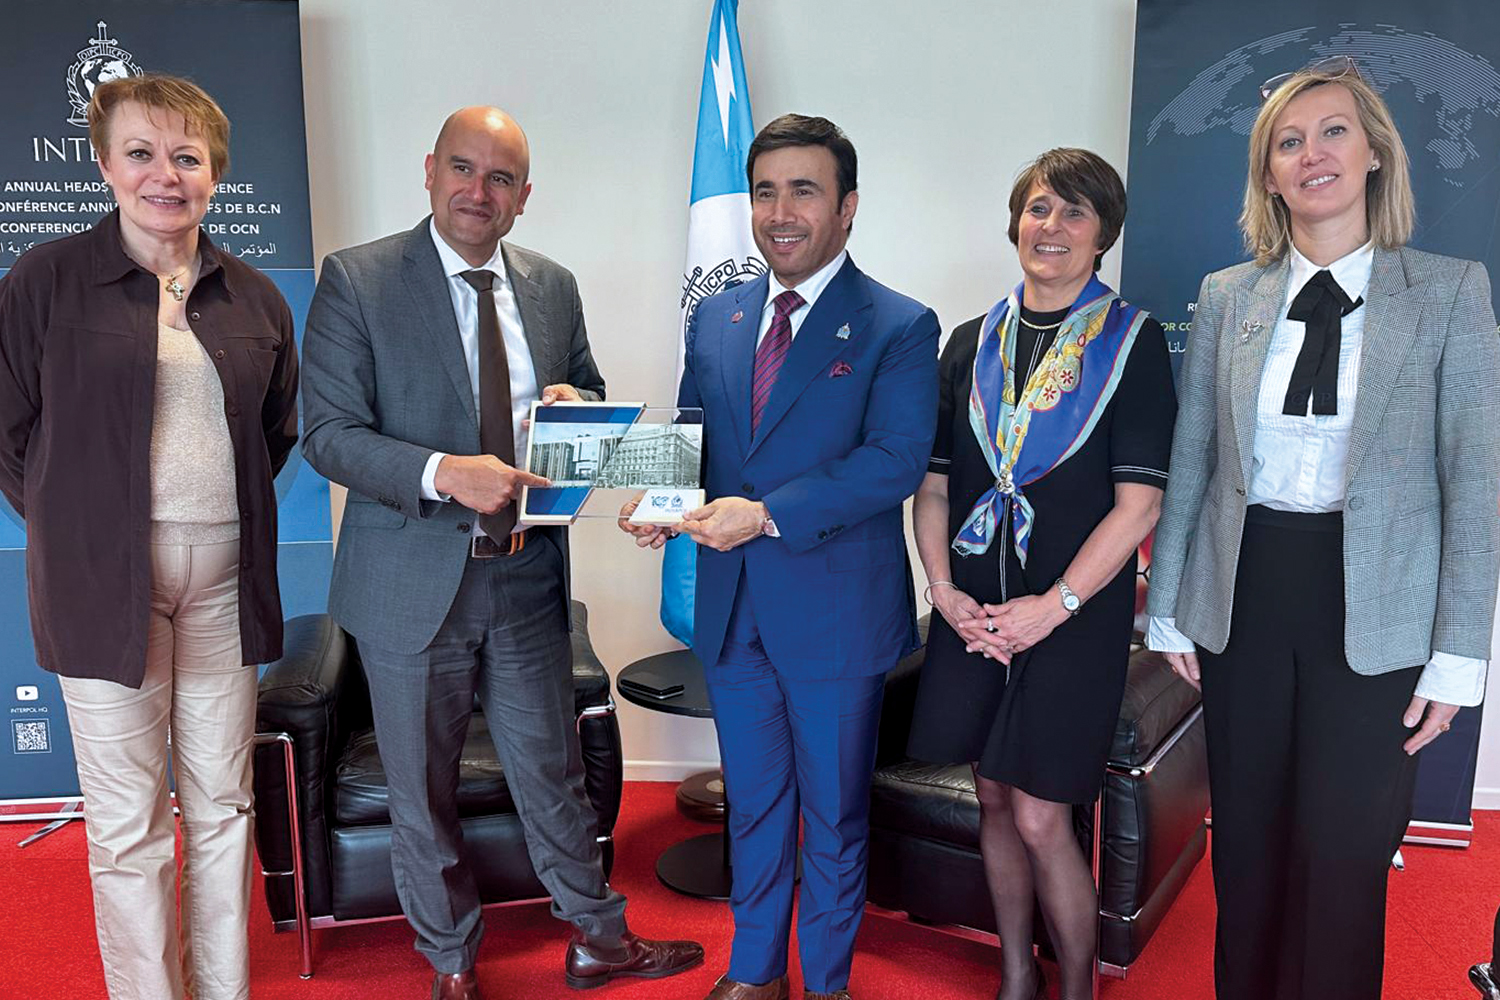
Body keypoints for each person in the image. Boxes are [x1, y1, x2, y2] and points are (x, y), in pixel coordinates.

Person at [299, 106, 702, 1000]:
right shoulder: (359, 280)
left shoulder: (552, 285)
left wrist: (575, 404)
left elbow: (589, 391)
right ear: (430, 169)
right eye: (463, 168)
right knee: (421, 791)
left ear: (524, 196)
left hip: (525, 574)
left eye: (501, 178)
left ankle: (598, 939)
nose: (478, 191)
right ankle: (452, 961)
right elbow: (327, 433)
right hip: (409, 586)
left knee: (552, 773)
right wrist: (445, 472)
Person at [1145, 57, 1500, 1000]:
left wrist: (1460, 656)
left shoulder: (1450, 291)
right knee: (1249, 839)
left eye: (1333, 132)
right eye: (1288, 143)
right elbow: (1196, 459)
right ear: (1268, 175)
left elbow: (1475, 482)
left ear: (1375, 151)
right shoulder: (1230, 295)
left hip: (1378, 604)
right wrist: (1169, 603)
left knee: (1344, 848)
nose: (1313, 155)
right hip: (1248, 589)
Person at [622, 113, 939, 1000]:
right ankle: (756, 972)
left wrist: (762, 516)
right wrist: (662, 502)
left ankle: (827, 984)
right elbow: (694, 435)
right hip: (732, 614)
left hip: (836, 616)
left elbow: (894, 461)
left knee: (832, 817)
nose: (780, 212)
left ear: (847, 206)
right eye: (765, 192)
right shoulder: (719, 315)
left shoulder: (898, 324)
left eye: (804, 190)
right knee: (755, 804)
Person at [0, 74, 299, 1000]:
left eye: (187, 157)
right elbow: (10, 432)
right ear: (104, 163)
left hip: (225, 581)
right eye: (141, 153)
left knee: (224, 805)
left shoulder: (254, 296)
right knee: (129, 821)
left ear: (215, 174)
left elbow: (276, 432)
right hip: (98, 584)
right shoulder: (46, 279)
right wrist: (78, 527)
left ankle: (222, 990)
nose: (164, 174)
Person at [903, 148, 1175, 1000]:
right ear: (1016, 222)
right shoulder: (968, 343)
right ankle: (1016, 975)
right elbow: (933, 486)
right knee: (990, 795)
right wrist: (943, 593)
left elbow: (1139, 507)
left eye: (1074, 212)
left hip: (1071, 619)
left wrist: (1049, 609)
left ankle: (1076, 988)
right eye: (1039, 208)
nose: (1051, 226)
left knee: (1038, 812)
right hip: (972, 616)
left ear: (1103, 235)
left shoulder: (1133, 344)